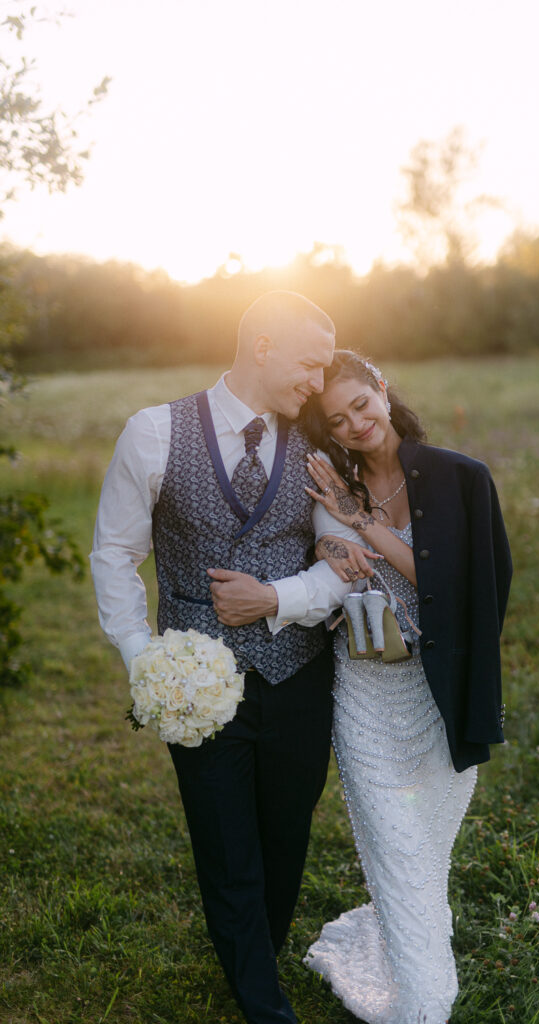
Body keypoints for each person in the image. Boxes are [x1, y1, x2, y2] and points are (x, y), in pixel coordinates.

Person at [212, 350, 512, 1023]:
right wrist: (329, 541)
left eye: (361, 404)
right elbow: (318, 543)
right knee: (397, 855)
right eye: (337, 418)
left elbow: (460, 589)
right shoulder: (327, 478)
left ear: (382, 390)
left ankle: (407, 956)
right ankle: (425, 1006)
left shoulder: (460, 478)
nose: (354, 423)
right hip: (364, 695)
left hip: (439, 698)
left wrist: (363, 521)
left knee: (423, 859)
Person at [90, 291, 346, 1024]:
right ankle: (264, 1004)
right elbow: (115, 554)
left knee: (285, 833)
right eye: (309, 363)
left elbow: (344, 561)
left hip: (300, 673)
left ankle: (253, 955)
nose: (317, 383)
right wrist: (144, 657)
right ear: (262, 345)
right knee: (226, 843)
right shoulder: (153, 432)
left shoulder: (317, 444)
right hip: (195, 684)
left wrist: (276, 598)